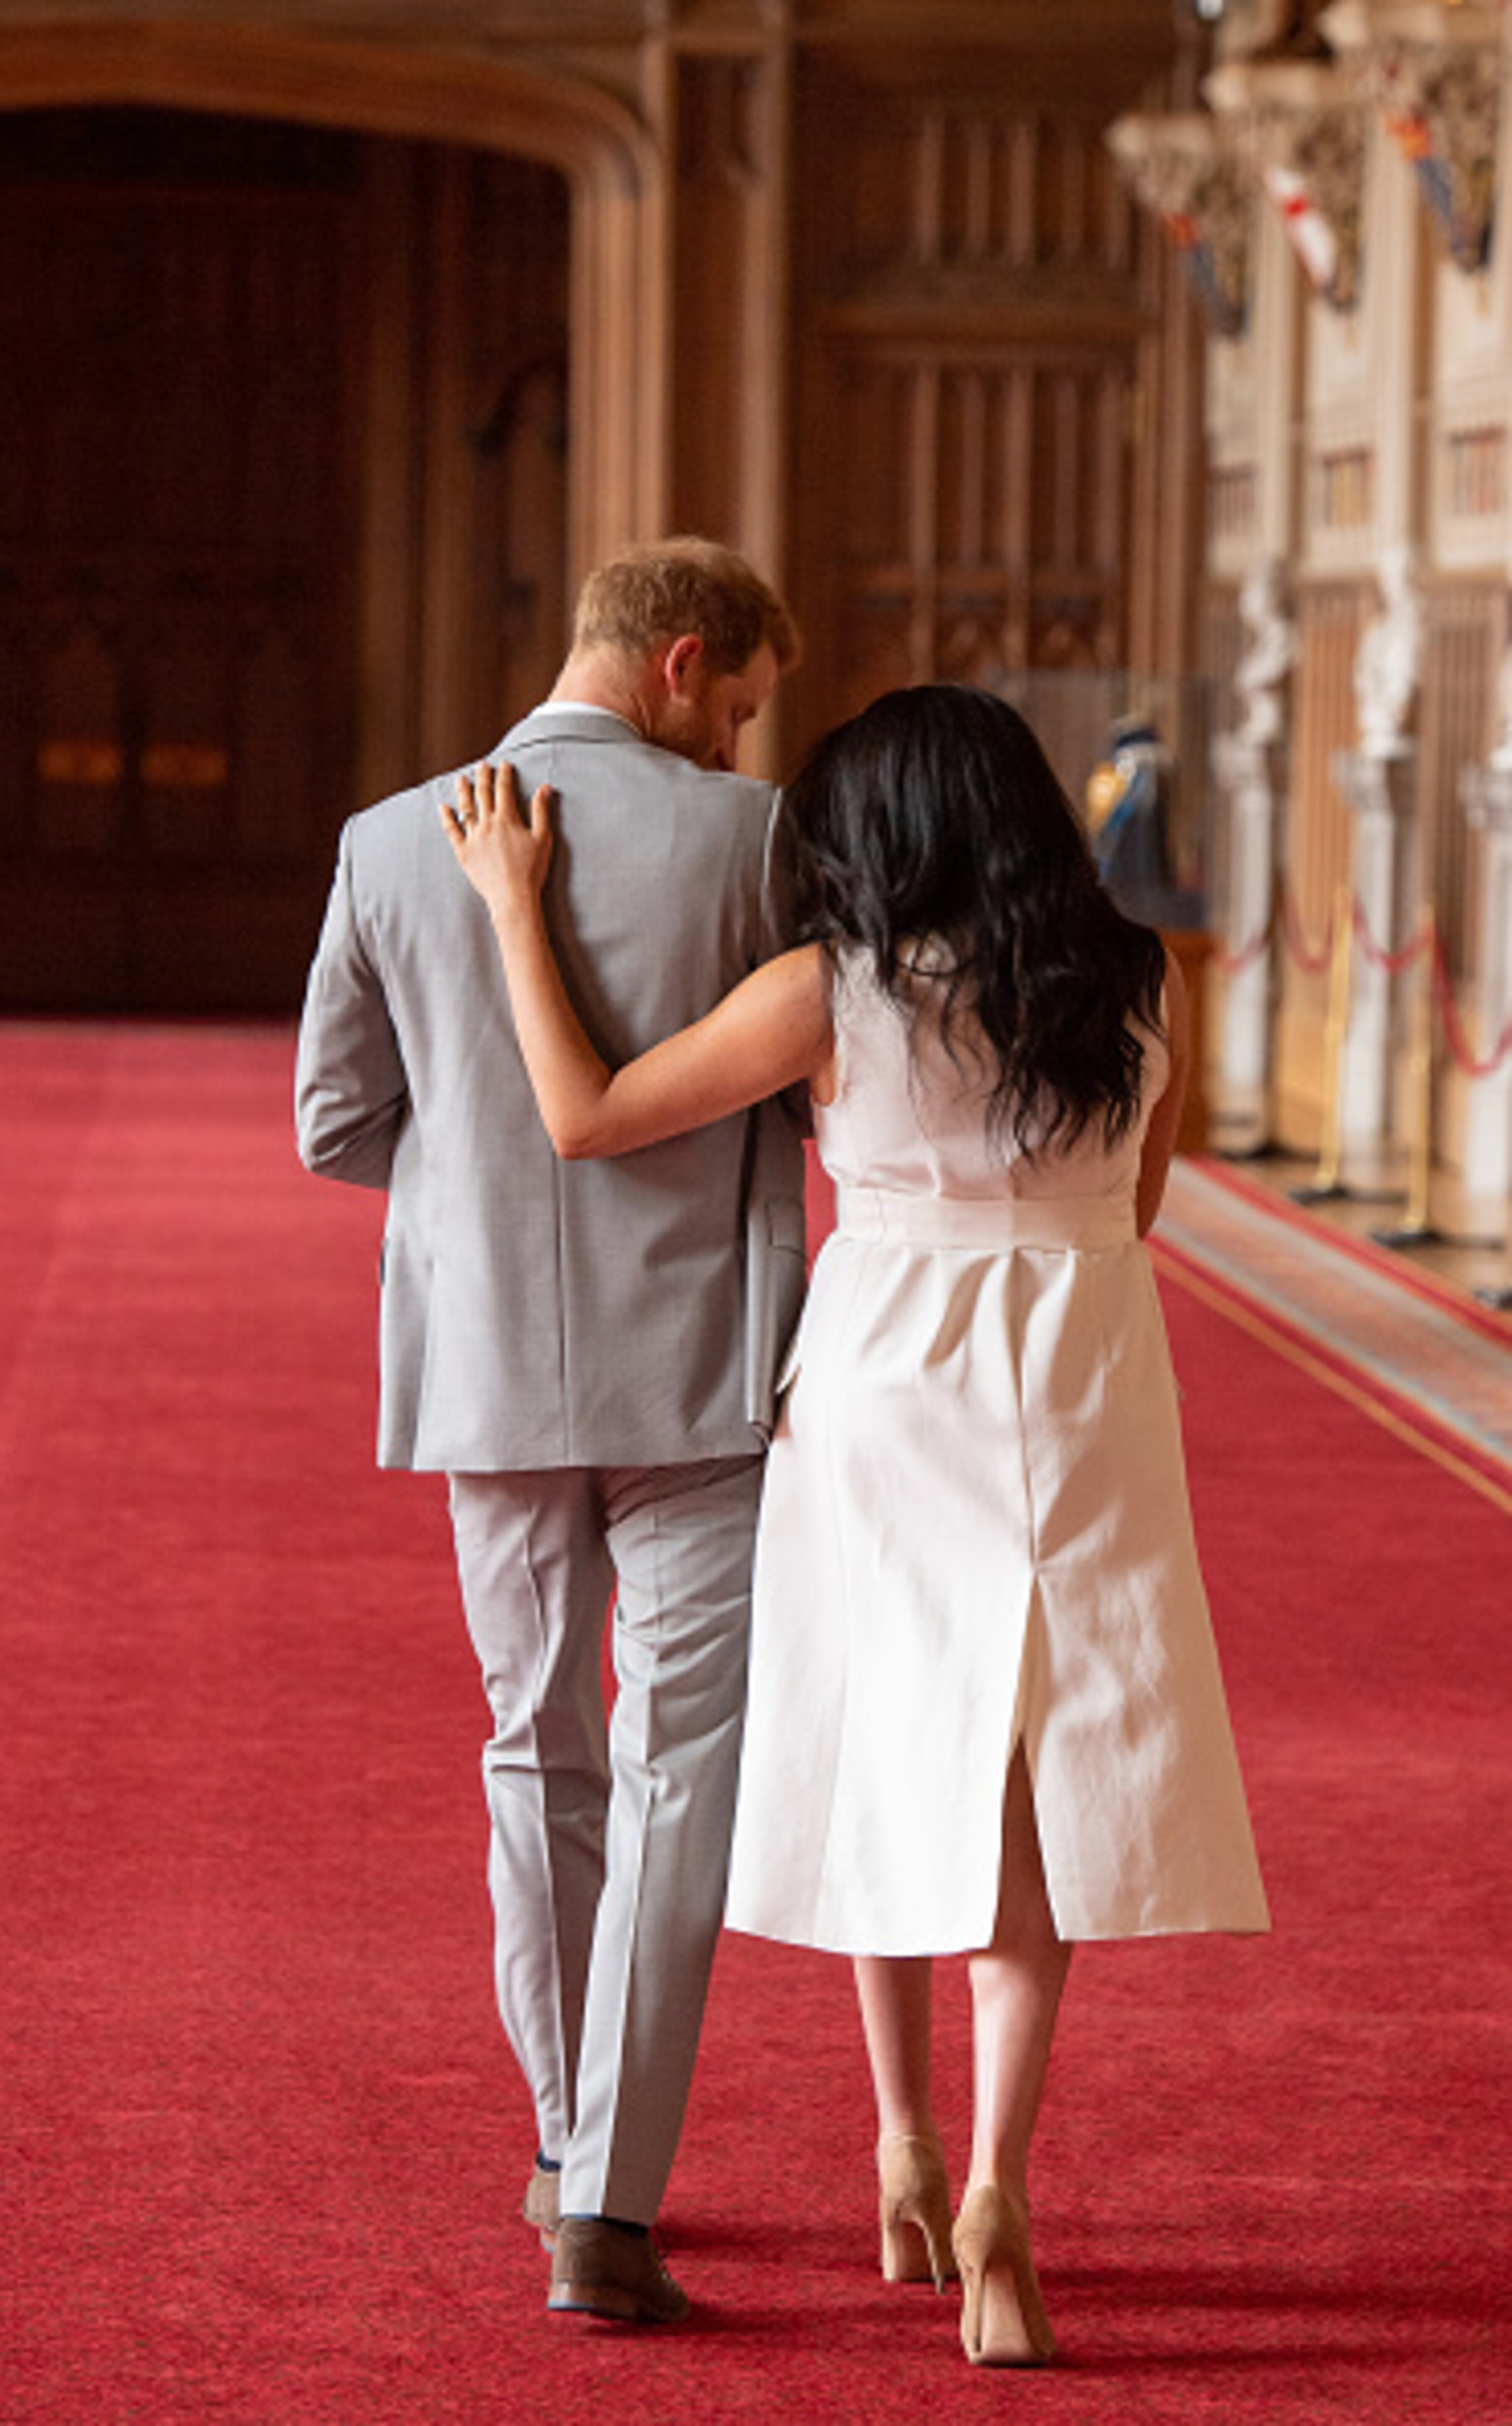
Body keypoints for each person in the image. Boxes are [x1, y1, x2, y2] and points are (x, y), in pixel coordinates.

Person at [443, 682, 1271, 2367]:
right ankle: (991, 2190)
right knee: (1036, 1790)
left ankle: (896, 2142)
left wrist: (518, 911)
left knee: (898, 1754)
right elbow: (1142, 1211)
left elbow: (588, 1113)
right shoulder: (1134, 981)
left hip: (890, 1377)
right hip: (1083, 1376)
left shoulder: (836, 990)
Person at [294, 537, 807, 2325]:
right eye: (740, 705)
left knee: (536, 1746)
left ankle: (555, 2126)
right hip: (707, 1373)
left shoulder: (386, 841)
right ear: (681, 664)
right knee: (678, 1778)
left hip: (488, 1369)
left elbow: (332, 1124)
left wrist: (474, 1191)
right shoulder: (756, 848)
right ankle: (610, 2195)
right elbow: (822, 1087)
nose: (746, 741)